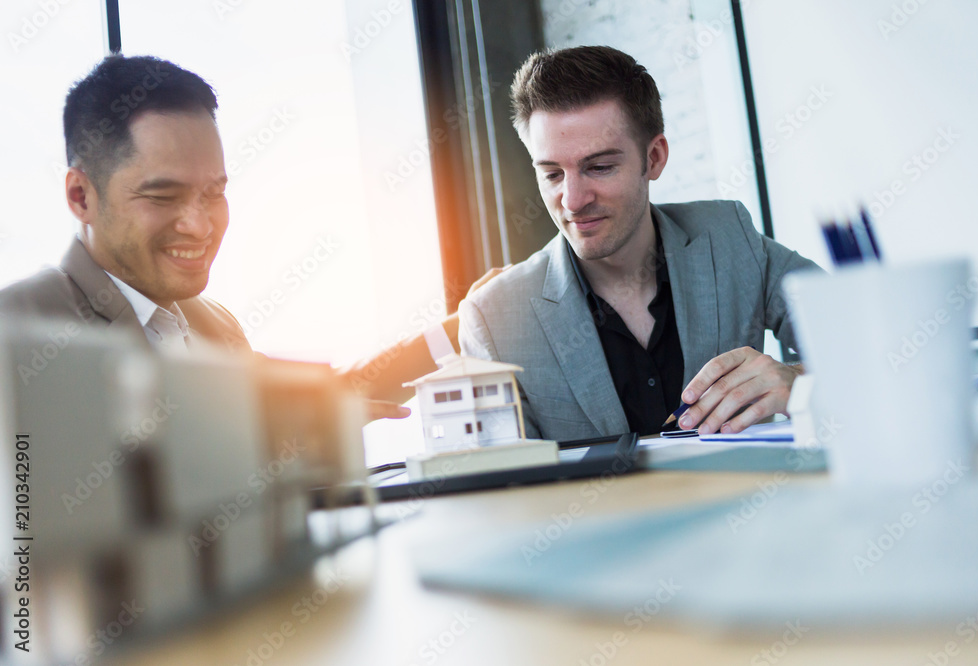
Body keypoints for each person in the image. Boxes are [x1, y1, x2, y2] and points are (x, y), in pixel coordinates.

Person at [0, 54, 486, 417]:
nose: (199, 224)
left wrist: (466, 326)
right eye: (163, 196)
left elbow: (321, 402)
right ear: (81, 196)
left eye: (212, 193)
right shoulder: (18, 328)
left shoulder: (212, 325)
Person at [459, 45, 821, 441]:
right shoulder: (493, 320)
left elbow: (873, 340)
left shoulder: (728, 236)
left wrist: (798, 383)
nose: (574, 201)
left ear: (654, 158)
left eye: (599, 167)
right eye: (552, 174)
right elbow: (508, 491)